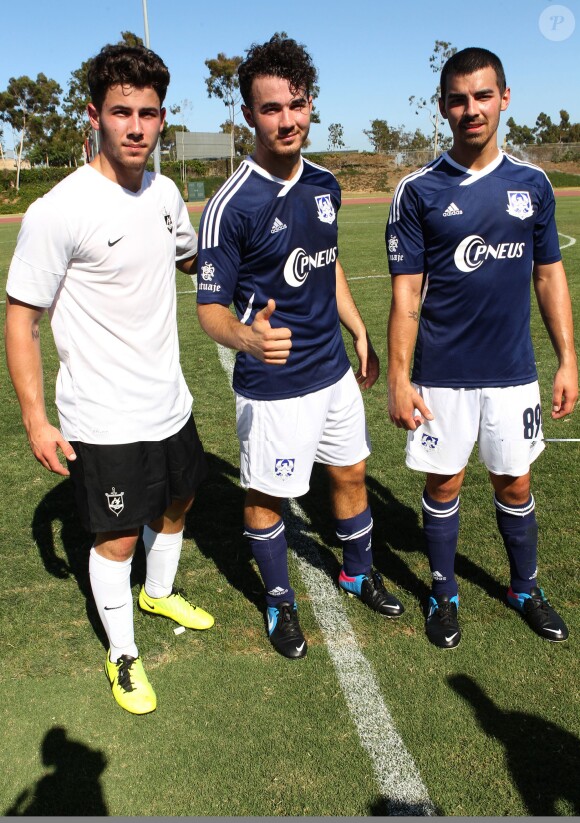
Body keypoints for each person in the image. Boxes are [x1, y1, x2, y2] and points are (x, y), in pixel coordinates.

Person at [5, 43, 214, 714]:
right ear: (94, 114)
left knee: (179, 504)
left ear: (161, 119)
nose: (135, 127)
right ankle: (122, 653)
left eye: (148, 113)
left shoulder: (167, 193)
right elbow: (21, 320)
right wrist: (37, 418)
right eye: (121, 112)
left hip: (170, 402)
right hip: (103, 415)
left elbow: (187, 257)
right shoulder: (59, 210)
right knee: (116, 537)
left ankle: (159, 591)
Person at [196, 34, 404, 659]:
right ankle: (281, 601)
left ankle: (358, 571)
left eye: (296, 105)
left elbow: (327, 264)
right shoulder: (231, 205)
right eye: (270, 109)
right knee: (267, 493)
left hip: (332, 372)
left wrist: (360, 328)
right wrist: (246, 338)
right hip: (273, 383)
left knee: (350, 472)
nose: (286, 120)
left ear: (310, 103)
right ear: (247, 116)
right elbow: (208, 308)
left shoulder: (325, 184)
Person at [386, 47, 577, 649]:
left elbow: (549, 275)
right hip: (441, 376)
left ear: (505, 97)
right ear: (443, 106)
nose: (472, 109)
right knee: (444, 485)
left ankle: (525, 587)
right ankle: (444, 593)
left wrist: (568, 359)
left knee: (514, 484)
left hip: (513, 374)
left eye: (483, 96)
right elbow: (406, 294)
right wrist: (398, 376)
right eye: (460, 99)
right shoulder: (417, 191)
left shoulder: (532, 185)